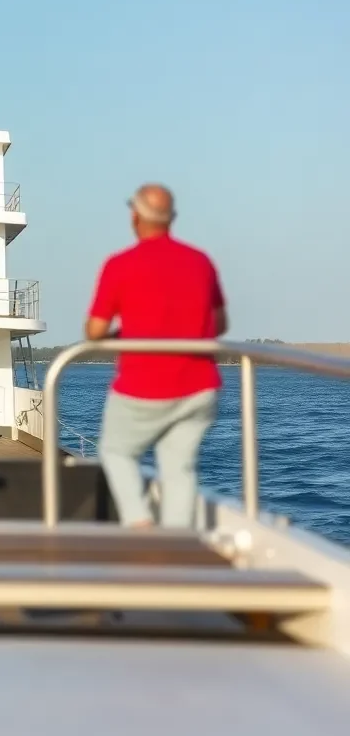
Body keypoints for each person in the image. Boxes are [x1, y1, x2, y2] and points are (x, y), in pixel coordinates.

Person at [86, 184, 228, 529]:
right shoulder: (200, 261)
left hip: (143, 386)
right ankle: (176, 542)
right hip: (199, 386)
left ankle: (139, 525)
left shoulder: (120, 265)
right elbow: (221, 322)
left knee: (116, 451)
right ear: (172, 219)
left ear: (135, 216)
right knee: (178, 466)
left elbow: (94, 330)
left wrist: (123, 333)